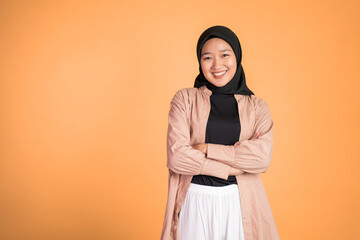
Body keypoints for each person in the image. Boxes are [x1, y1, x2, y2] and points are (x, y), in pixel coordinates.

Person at [161, 26, 280, 240]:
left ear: (237, 56)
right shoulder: (185, 100)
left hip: (238, 202)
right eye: (207, 58)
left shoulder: (257, 107)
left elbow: (261, 159)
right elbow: (177, 157)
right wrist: (229, 169)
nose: (217, 65)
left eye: (225, 55)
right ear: (200, 62)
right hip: (194, 200)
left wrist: (207, 149)